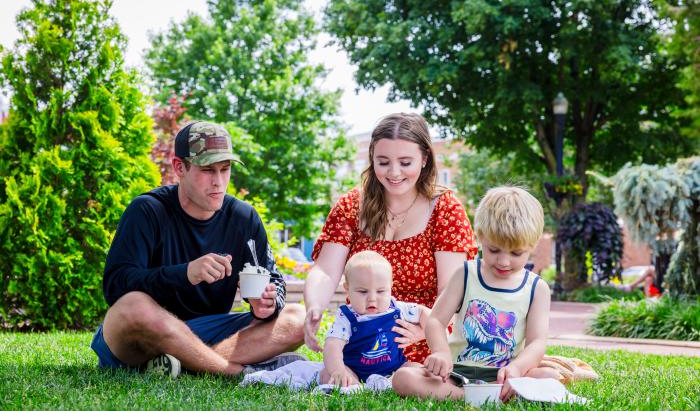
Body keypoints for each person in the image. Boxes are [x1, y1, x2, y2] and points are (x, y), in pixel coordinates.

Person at [90, 121, 306, 378]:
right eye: (207, 170)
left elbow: (272, 278)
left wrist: (268, 302)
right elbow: (115, 287)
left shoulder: (243, 218)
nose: (219, 182)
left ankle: (180, 367)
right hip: (142, 336)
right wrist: (185, 273)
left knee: (298, 318)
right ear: (179, 167)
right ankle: (237, 372)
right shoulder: (147, 210)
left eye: (225, 170)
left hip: (205, 331)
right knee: (133, 305)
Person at [304, 113, 478, 364]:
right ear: (372, 158)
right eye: (383, 162)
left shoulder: (445, 209)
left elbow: (451, 290)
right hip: (361, 342)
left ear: (425, 159)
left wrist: (429, 329)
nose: (394, 172)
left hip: (425, 341)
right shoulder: (351, 205)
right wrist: (314, 306)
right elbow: (326, 271)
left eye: (405, 162)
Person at [392, 186, 555, 402]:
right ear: (480, 238)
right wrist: (440, 353)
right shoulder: (466, 274)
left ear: (532, 246)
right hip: (455, 372)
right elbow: (436, 321)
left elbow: (536, 343)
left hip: (504, 376)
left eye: (516, 253)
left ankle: (483, 396)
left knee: (549, 377)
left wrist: (517, 368)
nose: (504, 261)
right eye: (494, 250)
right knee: (404, 378)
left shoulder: (536, 288)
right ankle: (471, 397)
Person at [320, 251, 430, 387]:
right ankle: (357, 388)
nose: (372, 298)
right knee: (328, 375)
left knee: (417, 369)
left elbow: (425, 313)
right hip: (355, 371)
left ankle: (389, 384)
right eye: (362, 291)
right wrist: (338, 370)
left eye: (380, 291)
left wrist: (431, 336)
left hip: (395, 369)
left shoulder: (397, 307)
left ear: (390, 287)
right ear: (347, 289)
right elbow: (332, 346)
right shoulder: (347, 317)